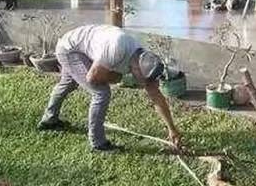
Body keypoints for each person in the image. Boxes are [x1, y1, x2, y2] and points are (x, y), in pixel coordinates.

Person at [38, 24, 183, 152]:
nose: (145, 82)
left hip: (84, 46)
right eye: (144, 79)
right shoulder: (116, 49)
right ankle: (98, 143)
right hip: (70, 49)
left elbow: (156, 96)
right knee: (101, 93)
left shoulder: (146, 62)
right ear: (136, 68)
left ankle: (49, 120)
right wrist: (119, 77)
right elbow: (92, 78)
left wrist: (172, 128)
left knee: (69, 82)